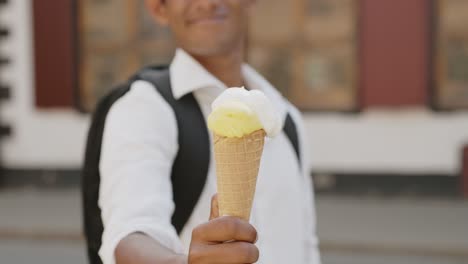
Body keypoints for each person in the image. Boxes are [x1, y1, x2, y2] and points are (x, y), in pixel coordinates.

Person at [98, 0, 320, 263]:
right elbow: (129, 236)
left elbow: (305, 245)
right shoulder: (142, 107)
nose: (206, 3)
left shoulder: (285, 117)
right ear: (159, 8)